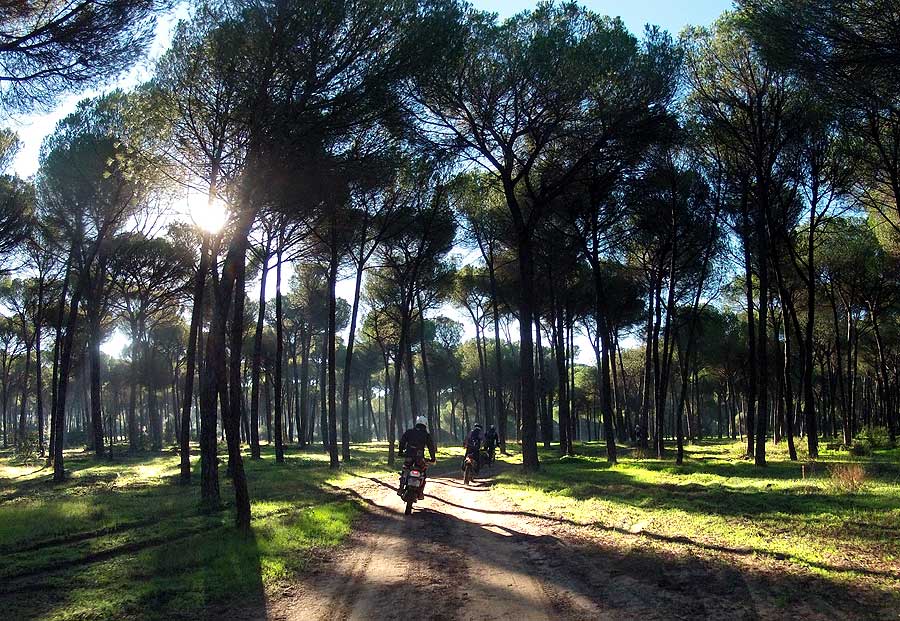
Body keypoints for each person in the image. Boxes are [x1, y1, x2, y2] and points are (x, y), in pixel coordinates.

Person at [399, 415, 436, 499]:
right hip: (420, 459)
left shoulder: (409, 432)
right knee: (423, 474)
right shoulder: (426, 435)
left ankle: (401, 487)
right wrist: (432, 458)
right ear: (425, 424)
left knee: (405, 470)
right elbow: (431, 447)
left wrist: (401, 452)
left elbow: (402, 442)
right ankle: (420, 492)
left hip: (408, 456)